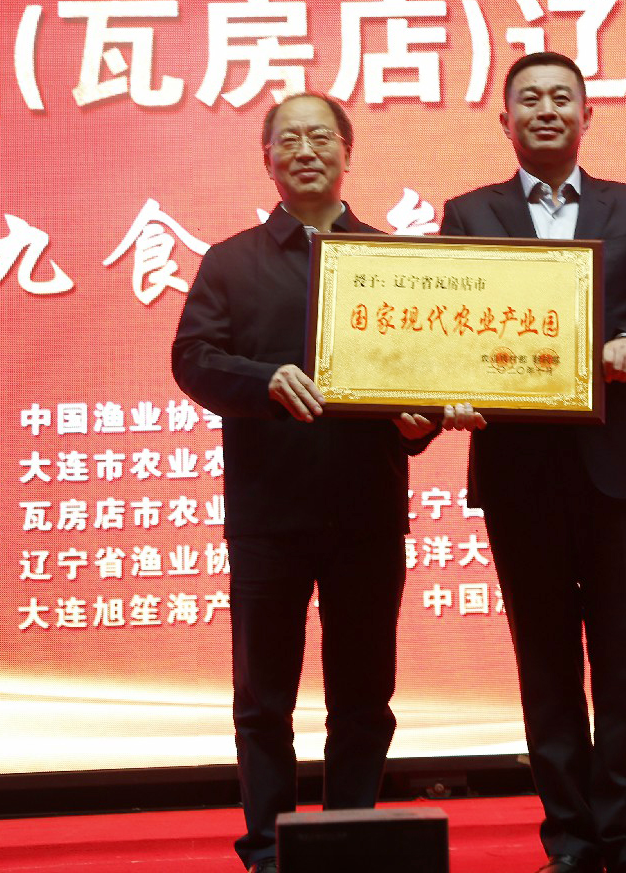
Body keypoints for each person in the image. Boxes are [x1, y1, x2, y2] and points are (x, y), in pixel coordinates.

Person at [172, 92, 481, 873]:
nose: (305, 151)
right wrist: (264, 378)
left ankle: (351, 839)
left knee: (364, 698)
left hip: (366, 510)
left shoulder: (394, 262)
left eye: (320, 138)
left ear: (348, 152)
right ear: (267, 159)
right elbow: (193, 359)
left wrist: (421, 424)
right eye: (289, 140)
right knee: (263, 700)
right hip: (268, 514)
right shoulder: (230, 261)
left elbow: (421, 381)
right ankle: (267, 850)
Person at [439, 52, 626, 873]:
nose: (546, 109)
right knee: (546, 661)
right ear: (506, 121)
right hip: (518, 470)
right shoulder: (469, 214)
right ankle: (569, 841)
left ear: (587, 116)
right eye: (530, 99)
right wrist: (447, 392)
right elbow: (445, 325)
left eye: (562, 97)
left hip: (617, 468)